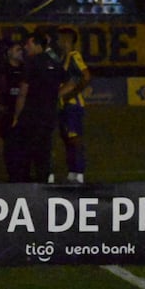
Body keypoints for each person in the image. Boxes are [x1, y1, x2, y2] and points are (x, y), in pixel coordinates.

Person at [9, 31, 67, 183]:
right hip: (48, 114)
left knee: (25, 150)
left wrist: (16, 116)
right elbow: (69, 80)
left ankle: (25, 183)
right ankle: (44, 182)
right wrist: (56, 95)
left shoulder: (32, 62)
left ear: (36, 44)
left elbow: (23, 92)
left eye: (28, 44)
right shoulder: (55, 61)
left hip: (31, 114)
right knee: (44, 150)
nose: (26, 47)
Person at [56, 27, 91, 184]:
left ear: (67, 39)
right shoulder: (63, 58)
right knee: (66, 137)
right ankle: (72, 171)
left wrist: (72, 94)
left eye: (60, 38)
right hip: (64, 105)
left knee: (74, 137)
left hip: (73, 106)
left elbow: (86, 76)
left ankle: (79, 172)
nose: (58, 41)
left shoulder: (74, 56)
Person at [0, 40, 24, 181]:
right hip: (7, 113)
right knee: (9, 145)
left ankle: (22, 174)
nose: (21, 52)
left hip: (23, 113)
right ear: (9, 52)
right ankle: (12, 174)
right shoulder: (2, 70)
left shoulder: (26, 68)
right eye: (17, 49)